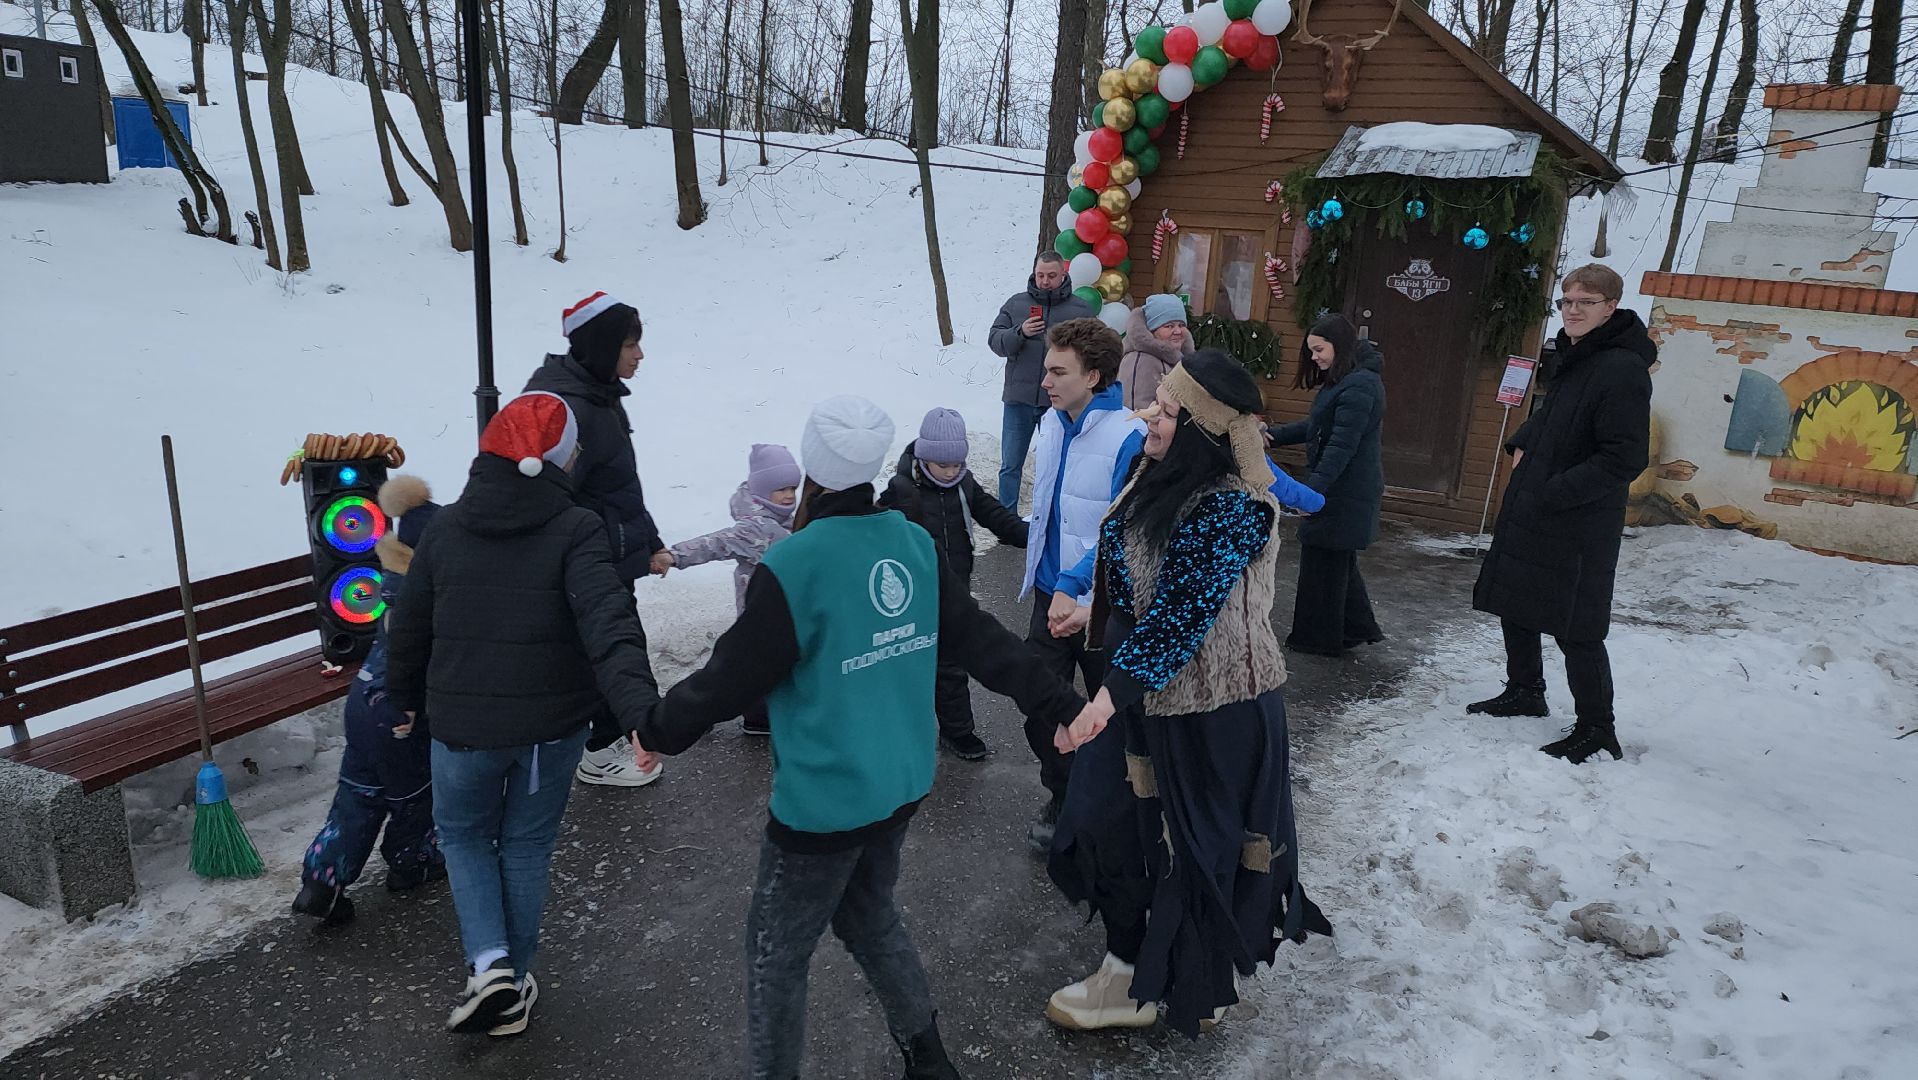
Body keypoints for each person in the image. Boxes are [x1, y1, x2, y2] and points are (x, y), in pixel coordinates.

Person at [632, 396, 1085, 1080]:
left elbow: (729, 677)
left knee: (776, 951)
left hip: (825, 802)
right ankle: (930, 1060)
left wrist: (659, 728)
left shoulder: (796, 563)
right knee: (868, 916)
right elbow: (984, 643)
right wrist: (1060, 705)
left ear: (812, 468)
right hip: (899, 783)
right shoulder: (910, 542)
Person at [1048, 350, 1332, 1037]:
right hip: (1139, 688)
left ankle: (1175, 986)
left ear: (1205, 433)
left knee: (1193, 854)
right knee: (1100, 823)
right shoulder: (1153, 471)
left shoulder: (1235, 509)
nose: (1151, 415)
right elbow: (1134, 565)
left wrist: (1099, 704)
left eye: (1169, 412)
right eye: (1156, 402)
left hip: (1216, 708)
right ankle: (1130, 964)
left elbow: (1179, 621)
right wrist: (1091, 609)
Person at [385, 391, 664, 1037]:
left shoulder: (445, 528)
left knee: (464, 838)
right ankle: (513, 982)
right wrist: (638, 710)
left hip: (460, 733)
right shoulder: (578, 528)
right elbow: (608, 620)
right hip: (549, 733)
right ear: (565, 460)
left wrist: (402, 698)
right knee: (526, 843)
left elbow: (411, 627)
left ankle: (491, 967)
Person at [1470, 264, 1655, 764]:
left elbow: (1624, 456)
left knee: (1578, 626)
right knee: (1516, 600)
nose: (1572, 310)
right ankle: (1525, 690)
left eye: (1585, 302)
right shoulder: (1577, 356)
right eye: (1566, 301)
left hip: (1578, 520)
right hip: (1539, 505)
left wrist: (1555, 490)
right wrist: (1522, 442)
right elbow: (1551, 415)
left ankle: (1597, 726)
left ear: (1611, 307)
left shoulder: (1621, 369)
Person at [524, 291, 670, 788]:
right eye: (631, 344)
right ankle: (600, 749)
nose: (640, 355)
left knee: (615, 642)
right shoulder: (563, 406)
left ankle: (607, 736)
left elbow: (617, 484)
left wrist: (648, 540)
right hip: (585, 559)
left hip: (605, 551)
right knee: (604, 647)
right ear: (604, 345)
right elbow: (545, 496)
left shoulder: (599, 396)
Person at [291, 474, 445, 927]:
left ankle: (322, 878)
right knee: (414, 794)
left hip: (363, 702)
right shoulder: (431, 597)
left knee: (358, 795)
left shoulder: (392, 588)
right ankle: (411, 863)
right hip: (401, 712)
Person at [1018, 318, 1147, 852]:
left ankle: (1106, 814)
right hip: (1050, 597)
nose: (1045, 381)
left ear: (1093, 375)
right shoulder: (1050, 423)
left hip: (1102, 608)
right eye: (1045, 369)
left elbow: (1125, 533)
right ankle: (1064, 794)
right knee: (1039, 705)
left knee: (1105, 719)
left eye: (1057, 371)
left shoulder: (1128, 438)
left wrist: (1085, 593)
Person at [880, 407, 1030, 761]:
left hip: (954, 590)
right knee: (909, 665)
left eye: (956, 464)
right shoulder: (902, 490)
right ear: (924, 457)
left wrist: (1030, 536)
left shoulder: (963, 483)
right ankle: (901, 730)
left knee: (951, 663)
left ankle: (957, 731)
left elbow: (992, 513)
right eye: (942, 465)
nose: (950, 472)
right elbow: (877, 532)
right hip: (913, 596)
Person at [1266, 314, 1387, 657]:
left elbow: (1341, 444)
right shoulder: (1344, 379)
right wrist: (1272, 436)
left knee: (1325, 558)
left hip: (1345, 490)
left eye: (1319, 350)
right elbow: (1318, 425)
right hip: (1339, 487)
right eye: (1312, 351)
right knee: (1336, 558)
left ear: (1339, 345)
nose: (1315, 357)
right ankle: (1353, 627)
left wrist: (1311, 493)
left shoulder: (1361, 385)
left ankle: (1318, 639)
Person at [668, 443, 801, 735]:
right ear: (763, 491)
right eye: (781, 489)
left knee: (764, 666)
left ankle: (761, 713)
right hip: (757, 614)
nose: (789, 495)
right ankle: (688, 715)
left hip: (781, 612)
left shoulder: (787, 520)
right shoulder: (753, 527)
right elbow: (714, 543)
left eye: (793, 487)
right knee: (739, 671)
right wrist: (675, 556)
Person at [987, 251, 1096, 509]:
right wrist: (1020, 332)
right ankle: (1007, 521)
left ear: (1063, 275)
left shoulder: (1080, 309)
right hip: (1019, 399)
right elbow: (995, 341)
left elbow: (1094, 352)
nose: (1045, 281)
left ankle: (1049, 516)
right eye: (1040, 275)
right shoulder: (1016, 305)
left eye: (1051, 276)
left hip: (1059, 403)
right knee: (1011, 465)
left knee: (1056, 464)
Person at [1117, 294, 1194, 411]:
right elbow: (1136, 412)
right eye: (1169, 326)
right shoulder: (1142, 361)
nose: (1178, 331)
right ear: (1151, 330)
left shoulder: (1177, 359)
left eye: (1181, 325)